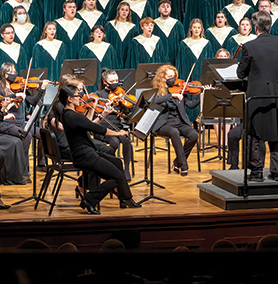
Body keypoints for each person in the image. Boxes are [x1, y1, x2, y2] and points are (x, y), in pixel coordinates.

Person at [58, 85, 141, 214]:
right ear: (69, 99)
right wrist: (119, 133)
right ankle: (89, 200)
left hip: (87, 153)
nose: (80, 98)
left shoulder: (67, 114)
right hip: (85, 156)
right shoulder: (73, 116)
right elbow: (100, 130)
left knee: (117, 163)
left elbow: (87, 123)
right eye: (77, 95)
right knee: (117, 177)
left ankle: (126, 199)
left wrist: (100, 112)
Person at [236, 10, 278, 180]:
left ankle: (257, 171)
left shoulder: (249, 46)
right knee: (276, 131)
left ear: (256, 27)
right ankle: (277, 172)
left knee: (254, 133)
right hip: (277, 95)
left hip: (257, 96)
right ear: (270, 25)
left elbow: (240, 73)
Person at [0, 62, 49, 170]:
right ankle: (23, 167)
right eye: (11, 72)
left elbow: (33, 101)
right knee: (26, 136)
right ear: (4, 74)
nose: (14, 74)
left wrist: (42, 89)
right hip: (7, 124)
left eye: (15, 71)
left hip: (21, 123)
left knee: (43, 134)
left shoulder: (20, 87)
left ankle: (41, 163)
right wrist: (14, 95)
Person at [151, 65, 201, 176]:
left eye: (174, 76)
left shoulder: (180, 90)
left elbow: (191, 105)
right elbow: (155, 101)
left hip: (180, 122)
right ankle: (184, 165)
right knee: (174, 132)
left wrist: (202, 95)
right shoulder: (158, 92)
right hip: (164, 124)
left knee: (194, 135)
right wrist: (171, 95)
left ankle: (177, 162)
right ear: (162, 77)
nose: (172, 79)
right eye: (169, 76)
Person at [93, 70, 134, 180]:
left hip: (117, 127)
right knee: (114, 142)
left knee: (126, 141)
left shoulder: (121, 94)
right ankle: (113, 169)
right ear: (105, 82)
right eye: (112, 81)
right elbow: (94, 113)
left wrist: (124, 104)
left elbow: (126, 114)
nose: (115, 83)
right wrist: (104, 107)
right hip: (103, 129)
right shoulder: (98, 95)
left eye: (116, 80)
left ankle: (126, 170)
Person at [176, 19, 214, 122]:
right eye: (194, 27)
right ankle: (188, 121)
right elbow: (180, 63)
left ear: (202, 29)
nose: (196, 30)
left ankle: (201, 120)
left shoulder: (207, 44)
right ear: (190, 29)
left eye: (199, 27)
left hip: (202, 75)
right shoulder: (184, 43)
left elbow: (210, 64)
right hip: (188, 74)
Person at [153, 0, 186, 64]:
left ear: (170, 9)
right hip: (159, 57)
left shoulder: (177, 24)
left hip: (175, 57)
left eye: (168, 6)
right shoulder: (154, 24)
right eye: (163, 6)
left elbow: (182, 42)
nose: (165, 8)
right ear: (159, 9)